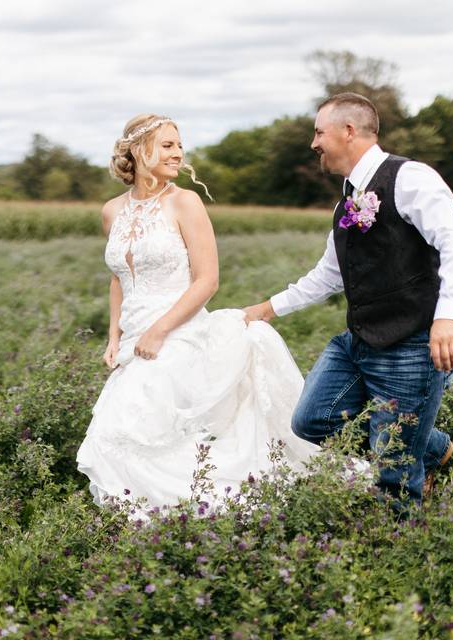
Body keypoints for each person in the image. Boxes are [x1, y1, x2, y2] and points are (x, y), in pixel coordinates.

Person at [76, 114, 359, 512]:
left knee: (151, 421)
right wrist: (114, 336)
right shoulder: (111, 212)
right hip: (134, 335)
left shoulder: (185, 203)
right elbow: (119, 278)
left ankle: (189, 510)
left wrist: (159, 331)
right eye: (168, 145)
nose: (179, 153)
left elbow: (207, 280)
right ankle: (138, 519)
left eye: (179, 144)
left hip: (179, 329)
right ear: (140, 151)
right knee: (118, 430)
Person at [243, 93, 453, 506]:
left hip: (410, 344)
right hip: (357, 343)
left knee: (394, 474)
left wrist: (450, 316)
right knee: (310, 421)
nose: (314, 143)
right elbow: (329, 274)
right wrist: (267, 309)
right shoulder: (347, 201)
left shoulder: (410, 178)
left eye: (319, 132)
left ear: (348, 131)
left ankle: (398, 544)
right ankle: (435, 446)